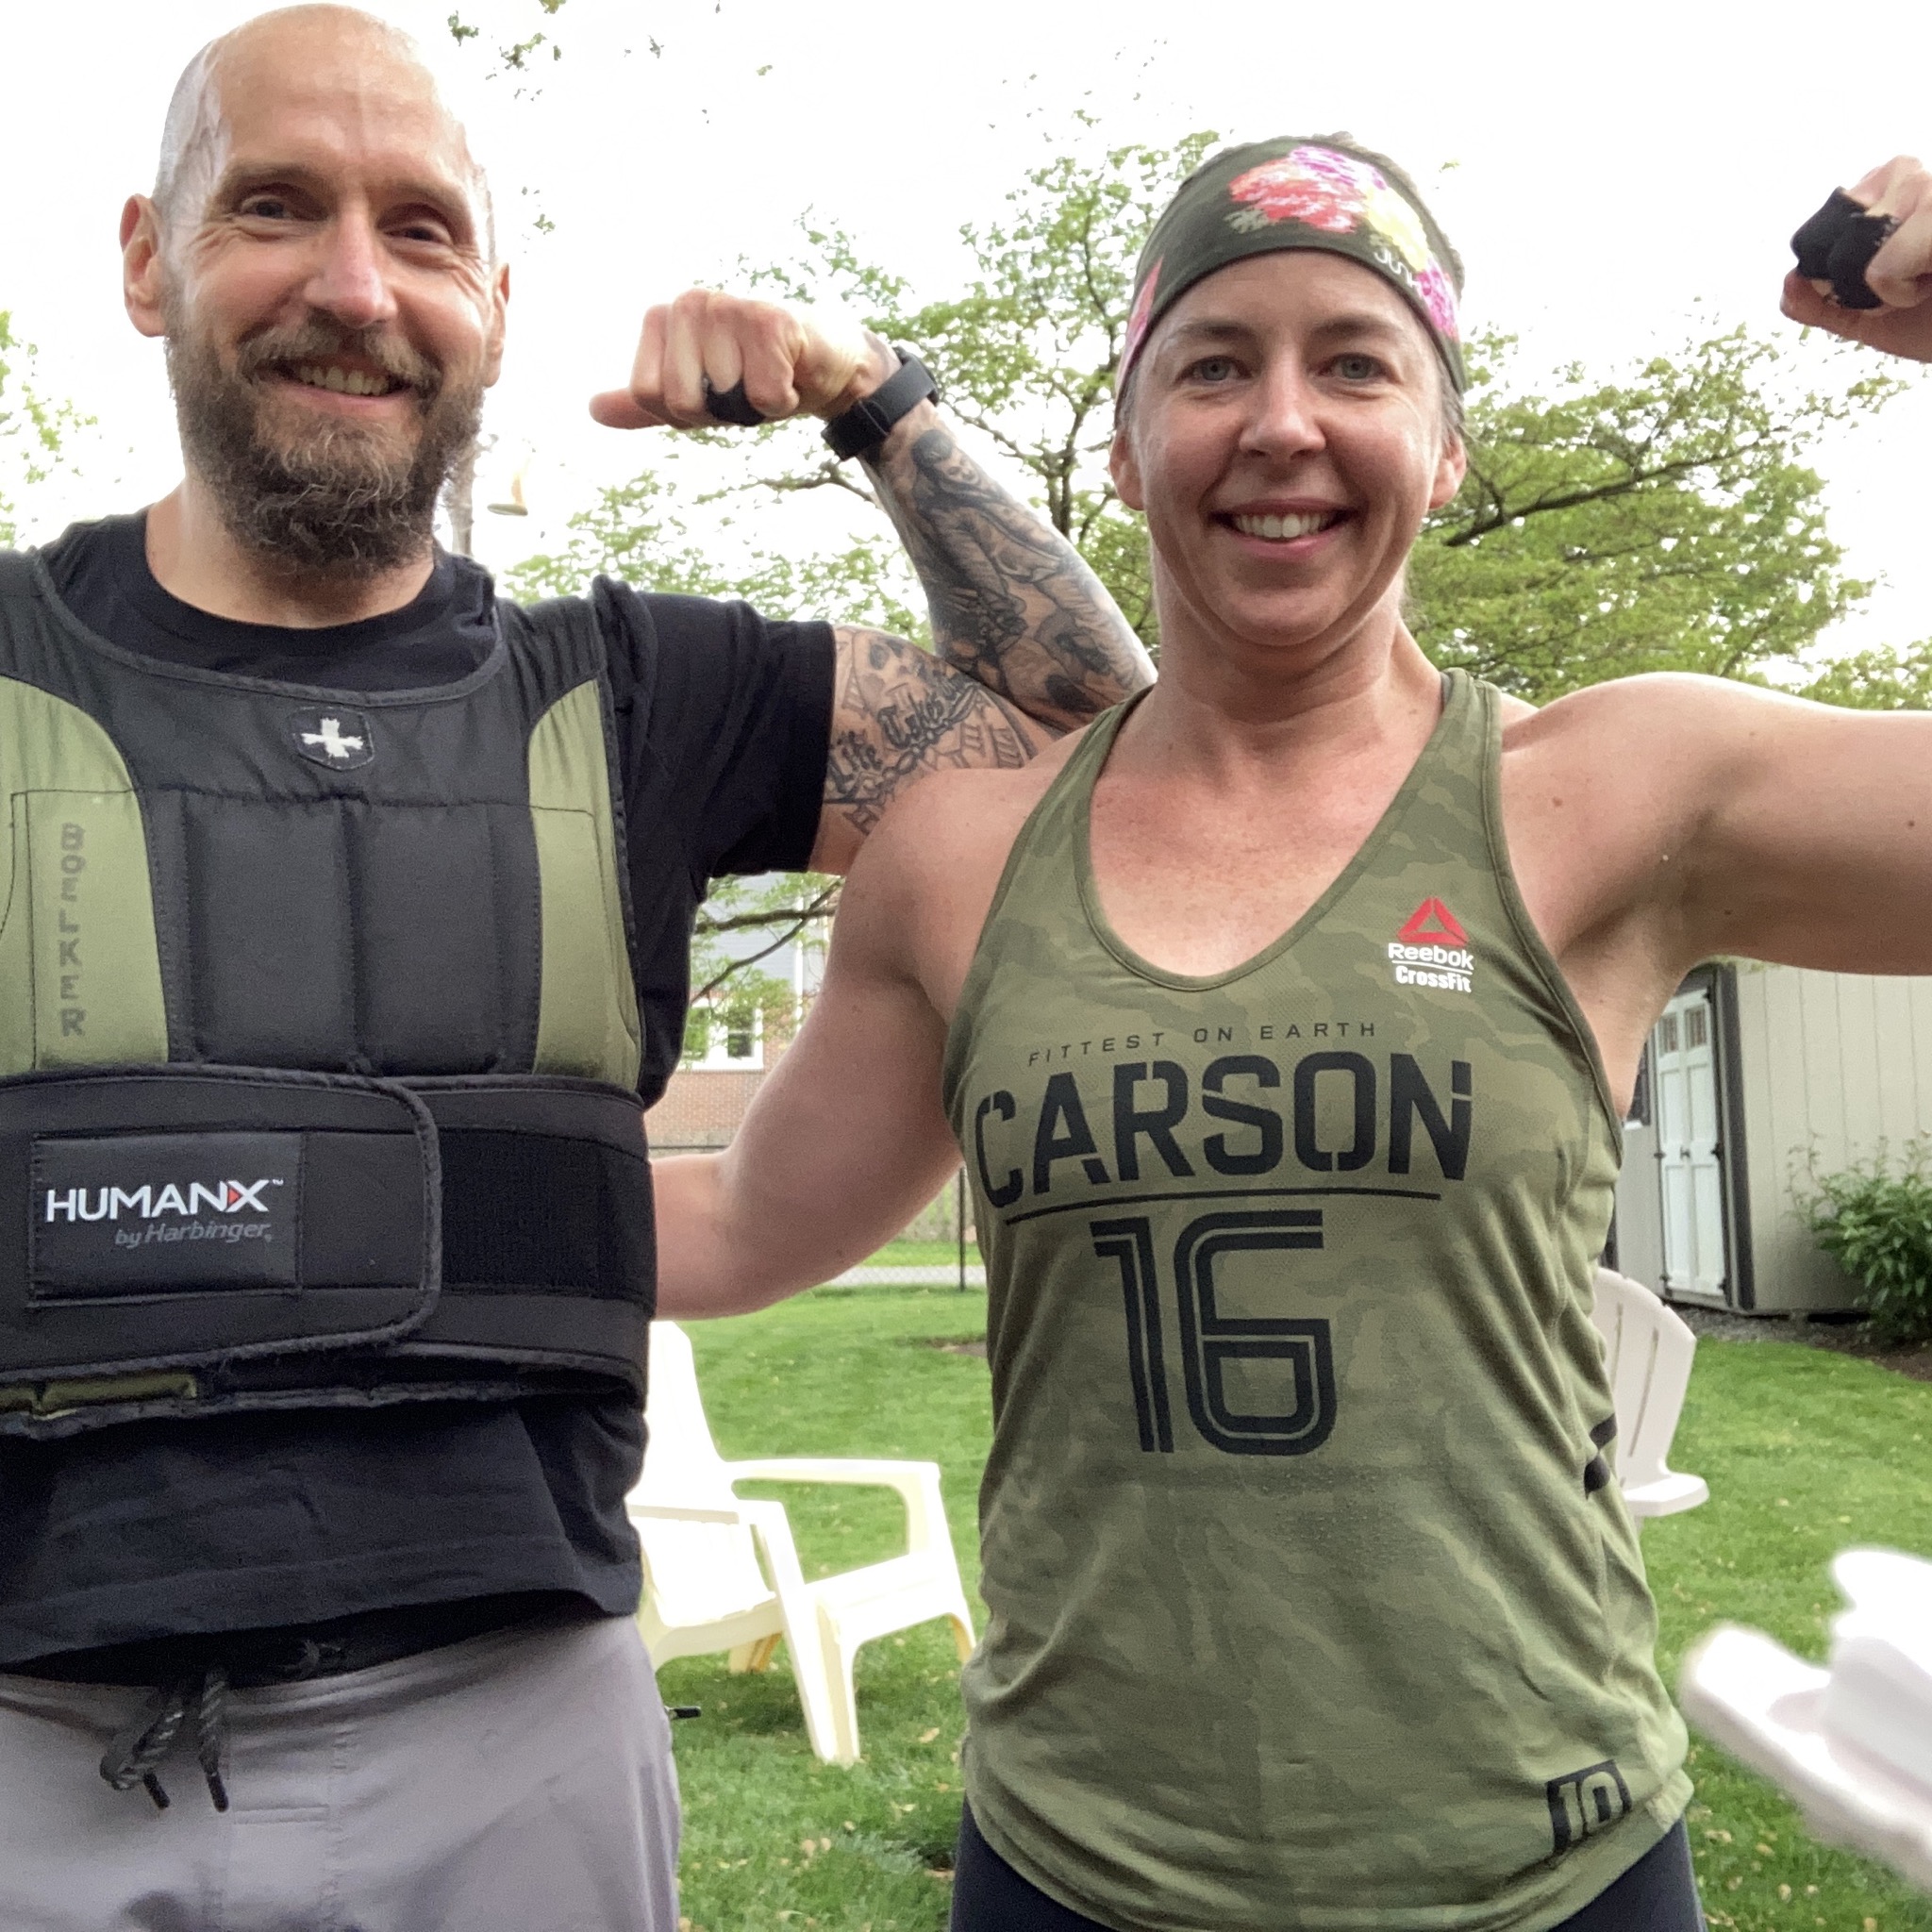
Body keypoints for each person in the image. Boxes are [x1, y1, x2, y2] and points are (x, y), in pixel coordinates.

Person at [655, 136, 1932, 1930]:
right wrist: (317, 1176)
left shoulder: (1620, 794)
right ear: (1124, 448)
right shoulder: (958, 852)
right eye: (1211, 365)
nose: (1279, 422)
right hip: (1075, 1869)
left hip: (1543, 1869)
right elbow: (735, 1221)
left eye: (1354, 363)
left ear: (1446, 445)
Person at [0, 8, 1151, 1929]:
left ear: (496, 305)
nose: (355, 287)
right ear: (146, 257)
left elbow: (1107, 750)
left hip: (520, 1749)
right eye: (274, 206)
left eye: (422, 230)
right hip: (36, 1750)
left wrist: (877, 403)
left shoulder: (645, 696)